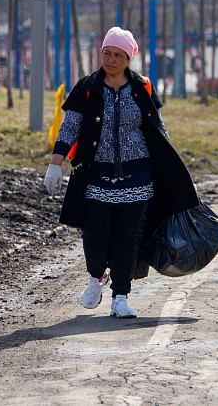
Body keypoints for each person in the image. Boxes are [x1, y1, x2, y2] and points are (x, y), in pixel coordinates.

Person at [43, 26, 199, 318]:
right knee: (95, 235)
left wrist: (169, 168)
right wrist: (55, 163)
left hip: (138, 175)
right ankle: (96, 276)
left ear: (128, 59)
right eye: (106, 53)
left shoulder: (142, 87)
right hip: (96, 175)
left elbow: (158, 128)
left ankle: (120, 297)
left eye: (117, 55)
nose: (111, 59)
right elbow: (70, 127)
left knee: (128, 238)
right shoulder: (87, 87)